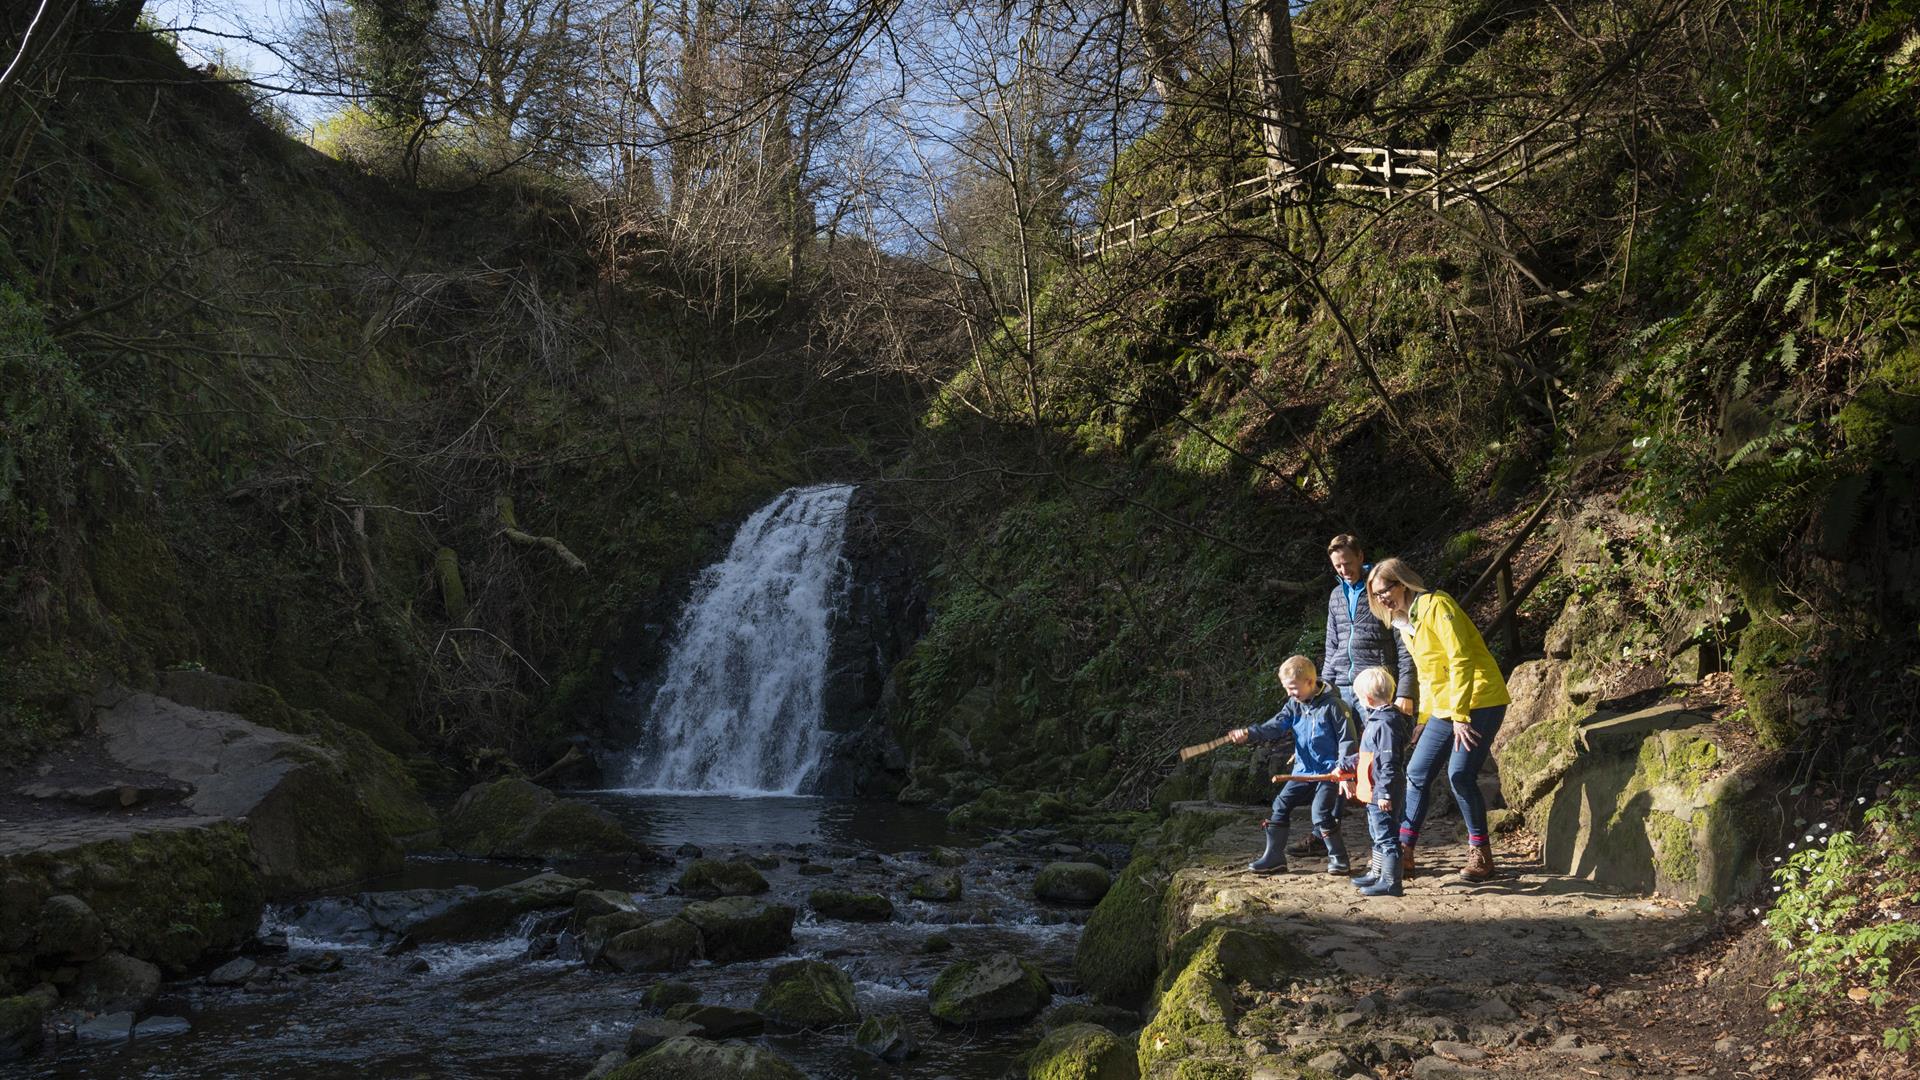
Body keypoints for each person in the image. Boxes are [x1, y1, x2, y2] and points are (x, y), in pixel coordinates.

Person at [1367, 557, 1511, 883]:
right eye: (1376, 595)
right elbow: (1429, 675)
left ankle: (1481, 855)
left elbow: (1460, 659)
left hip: (1481, 700)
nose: (1381, 599)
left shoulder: (1437, 605)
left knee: (1460, 774)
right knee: (1417, 771)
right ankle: (1404, 852)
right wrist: (1424, 717)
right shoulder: (1405, 624)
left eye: (1384, 590)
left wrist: (1460, 716)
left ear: (1402, 583)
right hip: (1446, 708)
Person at [1226, 656, 1359, 875]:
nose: (1289, 693)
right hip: (1303, 771)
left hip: (1330, 774)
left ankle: (1339, 858)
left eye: (1293, 688)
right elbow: (1276, 726)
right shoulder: (1294, 705)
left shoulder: (1335, 706)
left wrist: (1344, 770)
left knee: (1320, 813)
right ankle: (1274, 857)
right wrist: (1249, 733)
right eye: (1286, 688)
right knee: (1281, 804)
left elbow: (1347, 741)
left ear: (1309, 682)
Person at [1322, 535, 1416, 717]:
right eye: (1337, 566)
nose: (1344, 570)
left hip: (1377, 686)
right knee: (1347, 746)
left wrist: (1406, 691)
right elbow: (1331, 645)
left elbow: (1405, 645)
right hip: (1341, 689)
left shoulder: (1381, 591)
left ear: (1360, 557)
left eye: (1347, 563)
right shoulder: (1336, 596)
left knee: (1382, 743)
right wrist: (1325, 686)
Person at [1340, 666, 1410, 897]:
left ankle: (1391, 881)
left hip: (1382, 790)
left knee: (1387, 835)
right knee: (1377, 832)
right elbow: (1369, 755)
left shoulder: (1386, 723)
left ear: (1368, 699)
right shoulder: (1376, 720)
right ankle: (1377, 873)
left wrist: (1385, 793)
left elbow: (1389, 761)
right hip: (1373, 788)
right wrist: (1347, 763)